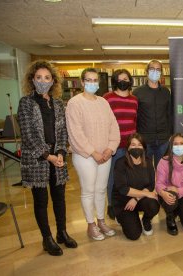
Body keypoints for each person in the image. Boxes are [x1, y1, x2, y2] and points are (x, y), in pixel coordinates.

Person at [17, 60, 77, 256]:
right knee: (41, 200)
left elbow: (62, 131)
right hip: (38, 159)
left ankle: (62, 233)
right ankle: (47, 238)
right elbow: (28, 134)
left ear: (53, 81)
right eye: (39, 77)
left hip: (56, 156)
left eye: (47, 77)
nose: (43, 81)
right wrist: (47, 155)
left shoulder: (58, 103)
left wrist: (60, 152)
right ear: (32, 80)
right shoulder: (26, 103)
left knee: (60, 198)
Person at [66, 68, 120, 241]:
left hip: (105, 155)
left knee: (101, 189)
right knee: (88, 190)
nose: (92, 83)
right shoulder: (74, 103)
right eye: (88, 80)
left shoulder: (104, 102)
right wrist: (93, 152)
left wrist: (110, 148)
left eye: (95, 80)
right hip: (85, 156)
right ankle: (91, 225)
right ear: (82, 82)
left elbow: (114, 127)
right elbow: (76, 133)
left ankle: (101, 221)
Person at [104, 69, 138, 220]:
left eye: (125, 78)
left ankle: (127, 201)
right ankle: (112, 204)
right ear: (115, 82)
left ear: (130, 81)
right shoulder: (107, 98)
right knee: (113, 176)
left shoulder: (134, 100)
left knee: (130, 176)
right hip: (114, 146)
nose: (123, 81)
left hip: (131, 146)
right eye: (119, 79)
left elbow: (135, 121)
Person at [113, 133, 160, 240]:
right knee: (134, 235)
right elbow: (123, 189)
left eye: (139, 145)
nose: (136, 148)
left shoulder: (148, 162)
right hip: (124, 201)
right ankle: (121, 217)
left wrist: (136, 198)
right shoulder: (120, 163)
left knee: (154, 205)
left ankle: (146, 220)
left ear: (144, 147)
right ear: (128, 147)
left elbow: (151, 184)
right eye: (133, 145)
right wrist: (146, 194)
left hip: (139, 199)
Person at [133, 59, 173, 168]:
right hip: (145, 139)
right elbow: (134, 116)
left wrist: (170, 134)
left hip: (164, 139)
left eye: (158, 69)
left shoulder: (166, 92)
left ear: (161, 73)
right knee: (145, 170)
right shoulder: (137, 92)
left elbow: (169, 113)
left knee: (162, 171)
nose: (155, 72)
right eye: (152, 69)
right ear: (146, 72)